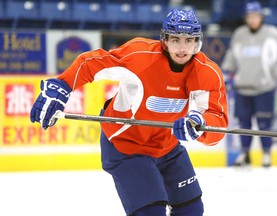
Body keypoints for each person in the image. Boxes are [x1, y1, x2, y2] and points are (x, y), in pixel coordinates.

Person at [30, 8, 228, 216]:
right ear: (165, 40)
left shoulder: (207, 72)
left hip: (166, 146)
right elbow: (92, 63)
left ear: (198, 42)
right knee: (152, 212)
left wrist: (199, 125)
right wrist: (63, 85)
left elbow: (217, 122)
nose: (182, 47)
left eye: (189, 40)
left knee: (192, 210)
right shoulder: (140, 56)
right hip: (126, 147)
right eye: (176, 39)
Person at [221, 1, 277, 167]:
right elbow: (231, 57)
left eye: (256, 16)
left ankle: (266, 154)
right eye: (250, 16)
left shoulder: (273, 34)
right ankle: (244, 153)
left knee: (265, 124)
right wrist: (226, 72)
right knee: (243, 124)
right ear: (246, 18)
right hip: (243, 88)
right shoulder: (239, 34)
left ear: (261, 16)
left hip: (265, 88)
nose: (253, 19)